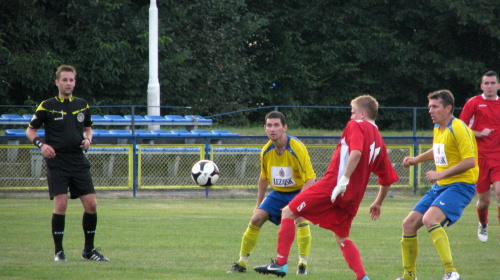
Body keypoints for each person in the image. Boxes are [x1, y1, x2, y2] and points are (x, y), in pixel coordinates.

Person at [254, 95, 399, 280]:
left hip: (332, 186)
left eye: (352, 112)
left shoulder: (356, 125)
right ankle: (362, 277)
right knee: (341, 237)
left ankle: (281, 264)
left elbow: (356, 152)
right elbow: (387, 179)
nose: (350, 116)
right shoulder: (379, 140)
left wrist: (343, 180)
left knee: (288, 212)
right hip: (353, 198)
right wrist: (378, 202)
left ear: (362, 114)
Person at [26, 65, 109, 262]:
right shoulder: (46, 106)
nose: (68, 83)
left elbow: (88, 129)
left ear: (75, 82)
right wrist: (42, 145)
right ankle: (59, 252)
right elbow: (30, 131)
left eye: (71, 80)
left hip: (78, 160)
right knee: (61, 204)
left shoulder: (82, 104)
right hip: (57, 161)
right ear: (57, 82)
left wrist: (88, 140)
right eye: (65, 80)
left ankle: (88, 251)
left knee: (91, 204)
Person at [397, 90, 478, 280]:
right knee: (408, 224)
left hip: (461, 185)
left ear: (448, 108)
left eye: (434, 107)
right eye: (429, 107)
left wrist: (440, 173)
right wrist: (416, 159)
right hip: (442, 185)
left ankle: (451, 271)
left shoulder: (458, 127)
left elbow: (470, 161)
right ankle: (409, 276)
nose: (430, 111)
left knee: (430, 219)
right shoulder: (438, 128)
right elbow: (438, 150)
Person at [227, 111, 316, 275]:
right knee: (256, 218)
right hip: (279, 193)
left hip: (301, 190)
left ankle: (302, 265)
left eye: (276, 125)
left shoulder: (297, 148)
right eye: (269, 125)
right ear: (264, 128)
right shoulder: (266, 151)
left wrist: (294, 204)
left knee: (301, 219)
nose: (272, 129)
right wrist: (258, 204)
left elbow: (310, 180)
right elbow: (264, 178)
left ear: (284, 127)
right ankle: (241, 263)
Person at [459, 70, 500, 244]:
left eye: (493, 83)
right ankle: (483, 223)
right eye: (486, 83)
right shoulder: (474, 103)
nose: (490, 86)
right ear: (481, 86)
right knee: (484, 202)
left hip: (498, 157)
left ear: (498, 85)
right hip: (480, 158)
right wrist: (479, 133)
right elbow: (461, 129)